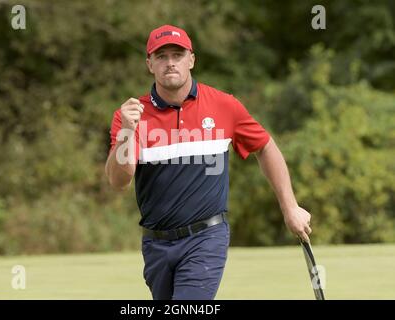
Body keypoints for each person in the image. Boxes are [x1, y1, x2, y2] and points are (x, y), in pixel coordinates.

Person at [105, 25, 312, 300]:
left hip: (206, 237)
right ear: (149, 64)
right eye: (161, 56)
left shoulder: (224, 105)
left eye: (177, 55)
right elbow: (119, 181)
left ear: (191, 59)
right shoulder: (129, 116)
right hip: (155, 243)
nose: (170, 63)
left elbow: (265, 147)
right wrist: (128, 132)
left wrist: (290, 208)